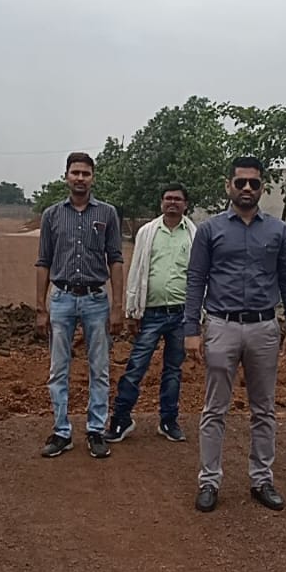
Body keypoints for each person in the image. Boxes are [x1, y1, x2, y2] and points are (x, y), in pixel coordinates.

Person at [185, 157, 286, 513]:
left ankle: (262, 479)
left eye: (254, 183)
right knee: (214, 408)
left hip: (264, 328)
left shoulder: (279, 231)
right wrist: (191, 330)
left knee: (264, 408)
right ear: (229, 186)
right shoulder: (210, 230)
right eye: (241, 182)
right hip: (221, 325)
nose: (247, 188)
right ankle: (209, 481)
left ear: (262, 187)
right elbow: (196, 279)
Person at [35, 152, 125, 459]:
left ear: (93, 178)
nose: (80, 178)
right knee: (58, 369)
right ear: (66, 177)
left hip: (96, 300)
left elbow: (115, 259)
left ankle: (96, 429)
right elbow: (43, 261)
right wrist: (40, 308)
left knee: (99, 368)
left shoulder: (108, 214)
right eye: (75, 173)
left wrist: (117, 306)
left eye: (86, 173)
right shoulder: (51, 215)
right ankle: (61, 431)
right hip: (61, 299)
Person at [105, 183, 196, 444]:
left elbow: (200, 274)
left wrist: (197, 316)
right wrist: (132, 310)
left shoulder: (195, 234)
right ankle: (121, 418)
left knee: (173, 370)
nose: (172, 203)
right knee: (136, 366)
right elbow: (137, 270)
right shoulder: (147, 232)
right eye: (168, 198)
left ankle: (168, 421)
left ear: (185, 204)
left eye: (177, 199)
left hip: (182, 314)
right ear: (161, 202)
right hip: (151, 313)